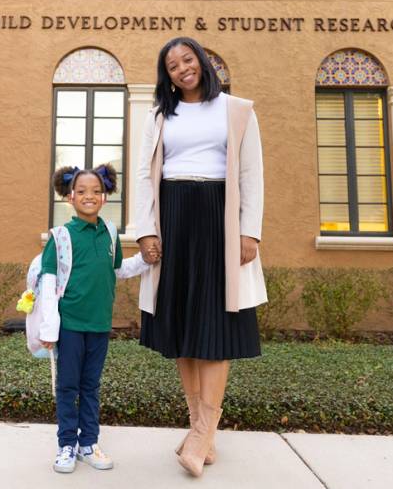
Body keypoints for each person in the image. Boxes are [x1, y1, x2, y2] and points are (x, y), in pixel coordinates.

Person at [134, 36, 268, 478]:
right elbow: (142, 174)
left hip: (218, 220)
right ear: (166, 75)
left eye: (187, 60)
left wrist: (250, 231)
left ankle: (202, 432)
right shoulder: (159, 114)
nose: (182, 69)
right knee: (181, 326)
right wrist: (146, 230)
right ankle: (201, 433)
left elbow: (251, 174)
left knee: (213, 325)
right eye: (172, 66)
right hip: (173, 217)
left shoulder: (236, 110)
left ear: (203, 62)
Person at [38, 163, 157, 474]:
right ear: (70, 197)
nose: (89, 196)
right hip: (70, 326)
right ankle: (67, 445)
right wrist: (49, 328)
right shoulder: (61, 236)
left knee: (90, 385)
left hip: (100, 325)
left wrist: (144, 261)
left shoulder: (109, 233)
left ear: (105, 196)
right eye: (81, 191)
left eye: (95, 191)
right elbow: (48, 282)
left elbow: (116, 270)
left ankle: (88, 444)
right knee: (67, 386)